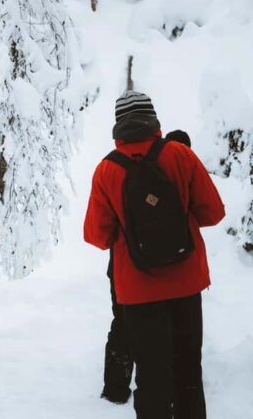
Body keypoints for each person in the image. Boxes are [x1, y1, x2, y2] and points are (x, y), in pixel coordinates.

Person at [84, 92, 225, 419]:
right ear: (153, 120)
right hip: (186, 281)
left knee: (151, 375)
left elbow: (96, 236)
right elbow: (214, 212)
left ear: (118, 125)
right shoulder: (180, 155)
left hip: (137, 290)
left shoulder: (106, 170)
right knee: (188, 370)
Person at [101, 128, 194, 405]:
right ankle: (170, 385)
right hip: (175, 268)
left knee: (123, 322)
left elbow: (98, 232)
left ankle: (116, 388)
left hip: (124, 266)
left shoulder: (121, 167)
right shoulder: (180, 172)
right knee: (170, 329)